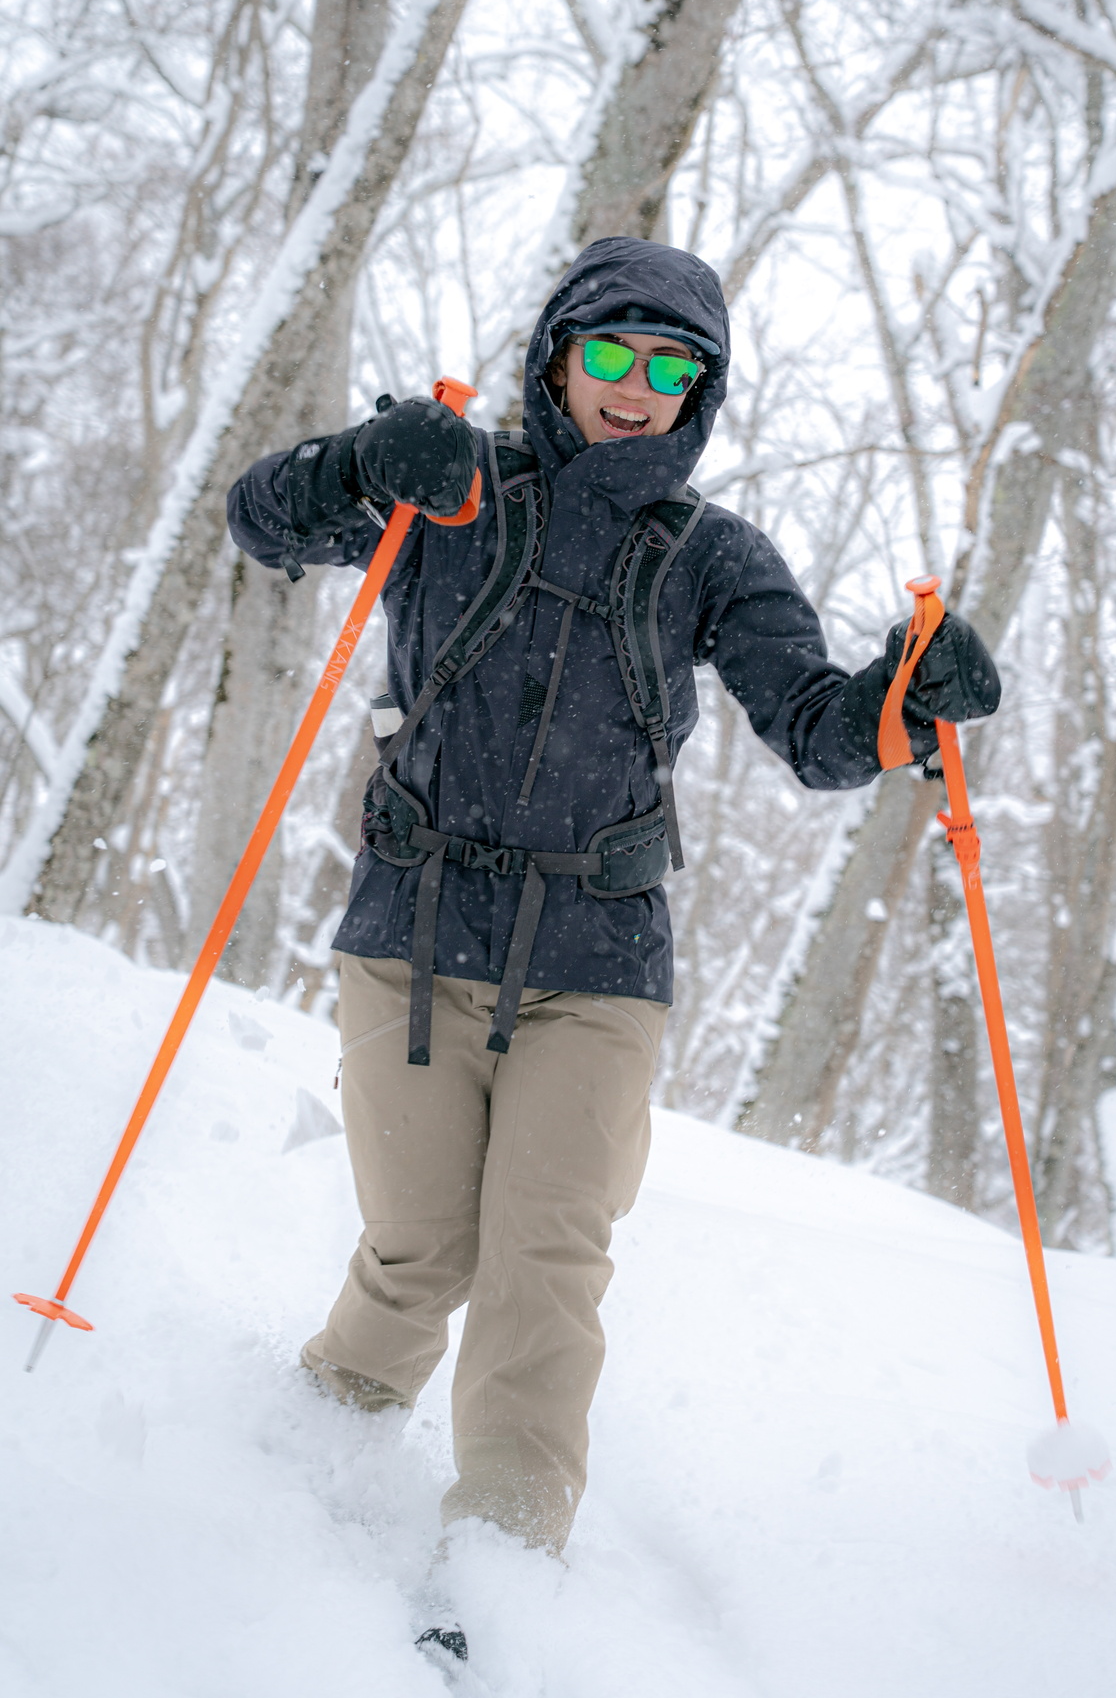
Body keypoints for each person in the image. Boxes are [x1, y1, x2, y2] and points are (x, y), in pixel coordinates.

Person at [228, 235, 999, 1560]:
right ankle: (322, 1436)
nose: (634, 386)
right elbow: (262, 519)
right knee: (421, 1245)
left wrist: (906, 707)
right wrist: (359, 463)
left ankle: (504, 1553)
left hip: (598, 960)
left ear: (699, 389)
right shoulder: (450, 487)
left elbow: (816, 727)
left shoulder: (712, 555)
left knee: (546, 1260)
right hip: (411, 930)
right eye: (609, 353)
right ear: (560, 358)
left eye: (669, 364)